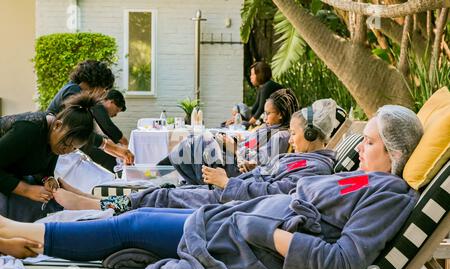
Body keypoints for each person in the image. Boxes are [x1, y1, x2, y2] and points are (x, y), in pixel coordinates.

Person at [0, 105, 424, 269]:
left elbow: (343, 260)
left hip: (245, 240)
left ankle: (25, 235)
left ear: (394, 151)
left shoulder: (388, 194)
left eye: (370, 142)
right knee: (143, 211)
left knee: (136, 221)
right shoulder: (365, 180)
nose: (363, 150)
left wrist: (263, 230)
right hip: (237, 221)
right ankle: (25, 232)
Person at [52, 98, 340, 212]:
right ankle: (100, 201)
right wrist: (246, 166)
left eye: (295, 133)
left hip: (232, 195)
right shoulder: (305, 160)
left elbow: (275, 195)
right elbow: (271, 182)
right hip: (237, 187)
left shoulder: (310, 166)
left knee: (169, 189)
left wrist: (228, 181)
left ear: (313, 135)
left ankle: (101, 203)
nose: (291, 137)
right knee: (171, 186)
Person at [166, 88, 297, 185]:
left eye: (268, 113)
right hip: (232, 158)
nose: (264, 117)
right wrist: (236, 141)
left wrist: (234, 148)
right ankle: (200, 185)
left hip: (238, 169)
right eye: (264, 113)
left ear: (280, 114)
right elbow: (249, 146)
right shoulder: (267, 128)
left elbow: (262, 163)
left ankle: (207, 186)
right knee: (193, 142)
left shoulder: (282, 136)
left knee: (203, 139)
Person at [0, 92, 97, 222]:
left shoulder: (55, 139)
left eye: (73, 148)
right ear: (57, 125)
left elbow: (42, 168)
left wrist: (47, 178)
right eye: (66, 144)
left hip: (9, 175)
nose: (66, 151)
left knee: (47, 204)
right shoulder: (28, 130)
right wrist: (27, 190)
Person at [47, 60, 134, 166]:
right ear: (97, 82)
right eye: (105, 88)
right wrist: (113, 147)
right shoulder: (73, 91)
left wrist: (113, 147)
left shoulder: (74, 89)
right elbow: (80, 129)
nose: (104, 93)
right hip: (53, 147)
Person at [81, 89, 129, 172]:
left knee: (116, 154)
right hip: (82, 142)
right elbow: (108, 127)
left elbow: (104, 133)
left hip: (88, 140)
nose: (115, 115)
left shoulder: (97, 109)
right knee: (111, 158)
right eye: (117, 110)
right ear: (111, 102)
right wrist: (125, 142)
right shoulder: (97, 105)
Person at [247, 61, 283, 127]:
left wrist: (247, 124)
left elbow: (261, 109)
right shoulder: (262, 87)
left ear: (259, 74)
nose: (250, 77)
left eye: (252, 74)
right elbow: (255, 108)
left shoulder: (267, 86)